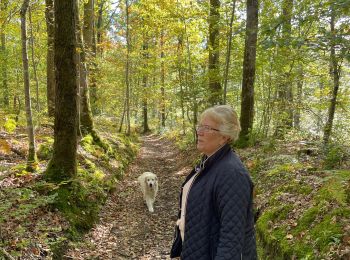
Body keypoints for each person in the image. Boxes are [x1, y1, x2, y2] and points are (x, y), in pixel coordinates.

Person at [170, 105, 257, 260]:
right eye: (199, 126)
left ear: (225, 136)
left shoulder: (232, 174)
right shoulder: (208, 164)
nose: (199, 131)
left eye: (207, 128)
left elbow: (231, 239)